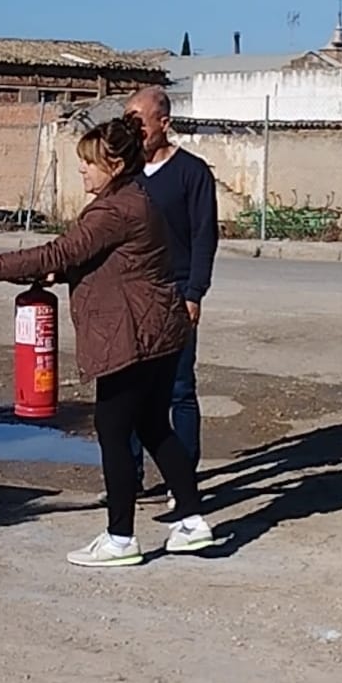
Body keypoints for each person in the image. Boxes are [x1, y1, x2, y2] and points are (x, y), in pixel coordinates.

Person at [0, 113, 216, 566]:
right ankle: (192, 521)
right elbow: (96, 260)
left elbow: (63, 250)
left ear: (113, 165)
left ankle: (120, 538)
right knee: (153, 425)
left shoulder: (115, 208)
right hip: (156, 330)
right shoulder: (134, 198)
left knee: (113, 430)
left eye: (89, 164)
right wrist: (64, 271)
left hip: (133, 336)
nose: (82, 171)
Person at [118, 86, 219, 508]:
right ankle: (129, 478)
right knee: (131, 388)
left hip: (176, 293)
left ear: (164, 122)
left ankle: (183, 484)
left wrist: (194, 293)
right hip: (134, 297)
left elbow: (203, 236)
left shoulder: (192, 173)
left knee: (178, 389)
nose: (134, 128)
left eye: (140, 120)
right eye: (128, 120)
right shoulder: (126, 174)